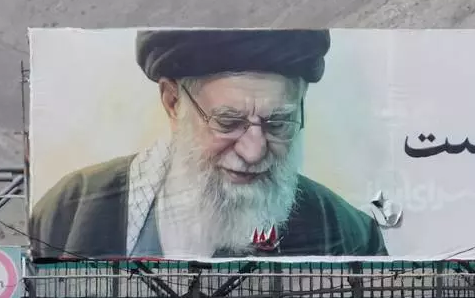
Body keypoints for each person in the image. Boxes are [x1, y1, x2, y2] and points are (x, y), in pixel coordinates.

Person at [29, 29, 389, 260]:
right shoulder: (69, 210)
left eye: (278, 123)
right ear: (173, 102)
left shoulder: (351, 237)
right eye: (228, 122)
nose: (253, 151)